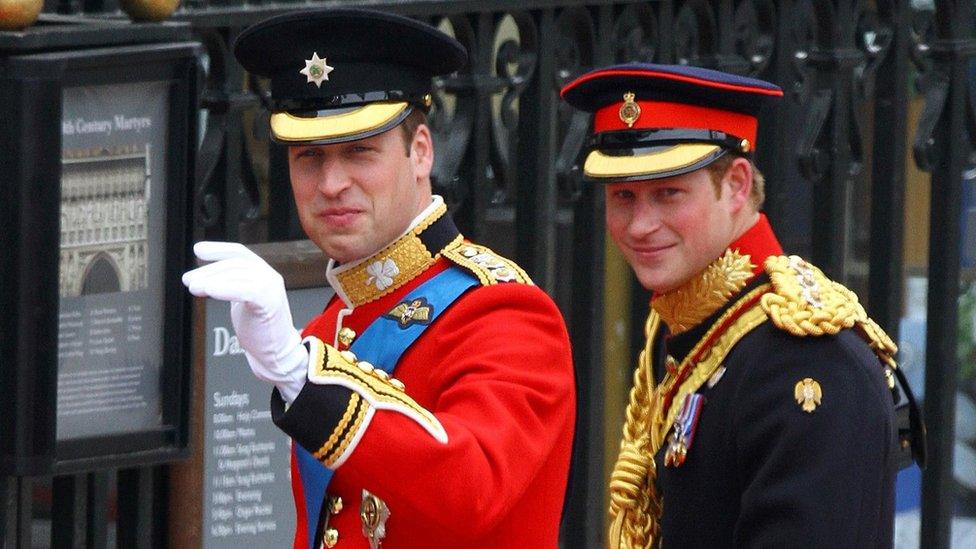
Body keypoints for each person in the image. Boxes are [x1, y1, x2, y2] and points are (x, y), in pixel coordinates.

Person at [182, 9, 575, 548]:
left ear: (420, 152)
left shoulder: (503, 312)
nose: (332, 183)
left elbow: (471, 489)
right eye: (309, 157)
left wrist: (299, 375)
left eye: (359, 152)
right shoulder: (326, 332)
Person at [560, 64, 924, 548]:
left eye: (668, 194)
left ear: (735, 185)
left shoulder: (808, 357)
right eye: (623, 196)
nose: (639, 225)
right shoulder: (687, 320)